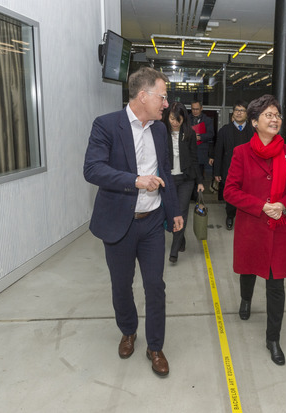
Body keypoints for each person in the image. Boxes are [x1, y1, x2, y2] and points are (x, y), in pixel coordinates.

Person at [83, 67, 183, 377]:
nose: (166, 104)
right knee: (121, 286)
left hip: (152, 222)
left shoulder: (159, 129)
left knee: (155, 286)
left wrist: (174, 210)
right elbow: (93, 170)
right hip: (119, 222)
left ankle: (155, 346)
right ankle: (128, 331)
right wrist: (136, 181)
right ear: (143, 96)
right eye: (162, 97)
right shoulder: (106, 126)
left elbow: (165, 171)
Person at [224, 94, 286, 366]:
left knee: (276, 283)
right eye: (268, 115)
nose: (275, 119)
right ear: (254, 122)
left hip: (278, 228)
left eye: (277, 115)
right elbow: (230, 191)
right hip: (252, 226)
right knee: (248, 271)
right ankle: (246, 299)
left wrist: (282, 205)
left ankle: (273, 338)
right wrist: (262, 206)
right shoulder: (241, 153)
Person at [163, 102, 204, 263]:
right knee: (170, 213)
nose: (174, 122)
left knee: (181, 212)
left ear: (183, 119)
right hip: (168, 179)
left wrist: (199, 181)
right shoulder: (162, 132)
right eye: (172, 118)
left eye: (178, 119)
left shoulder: (189, 133)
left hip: (186, 179)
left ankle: (174, 250)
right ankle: (181, 239)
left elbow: (195, 158)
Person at [213, 100, 254, 230]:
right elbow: (218, 152)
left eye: (242, 110)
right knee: (231, 196)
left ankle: (245, 219)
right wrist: (217, 172)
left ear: (247, 114)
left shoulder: (253, 131)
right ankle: (230, 216)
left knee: (248, 196)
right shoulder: (224, 130)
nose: (239, 113)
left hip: (249, 170)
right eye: (236, 110)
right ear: (233, 112)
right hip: (230, 170)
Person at [190, 100, 215, 181]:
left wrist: (200, 137)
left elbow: (211, 134)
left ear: (201, 108)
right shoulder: (187, 119)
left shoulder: (207, 120)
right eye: (193, 109)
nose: (195, 111)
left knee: (199, 177)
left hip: (201, 152)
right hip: (189, 152)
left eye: (197, 109)